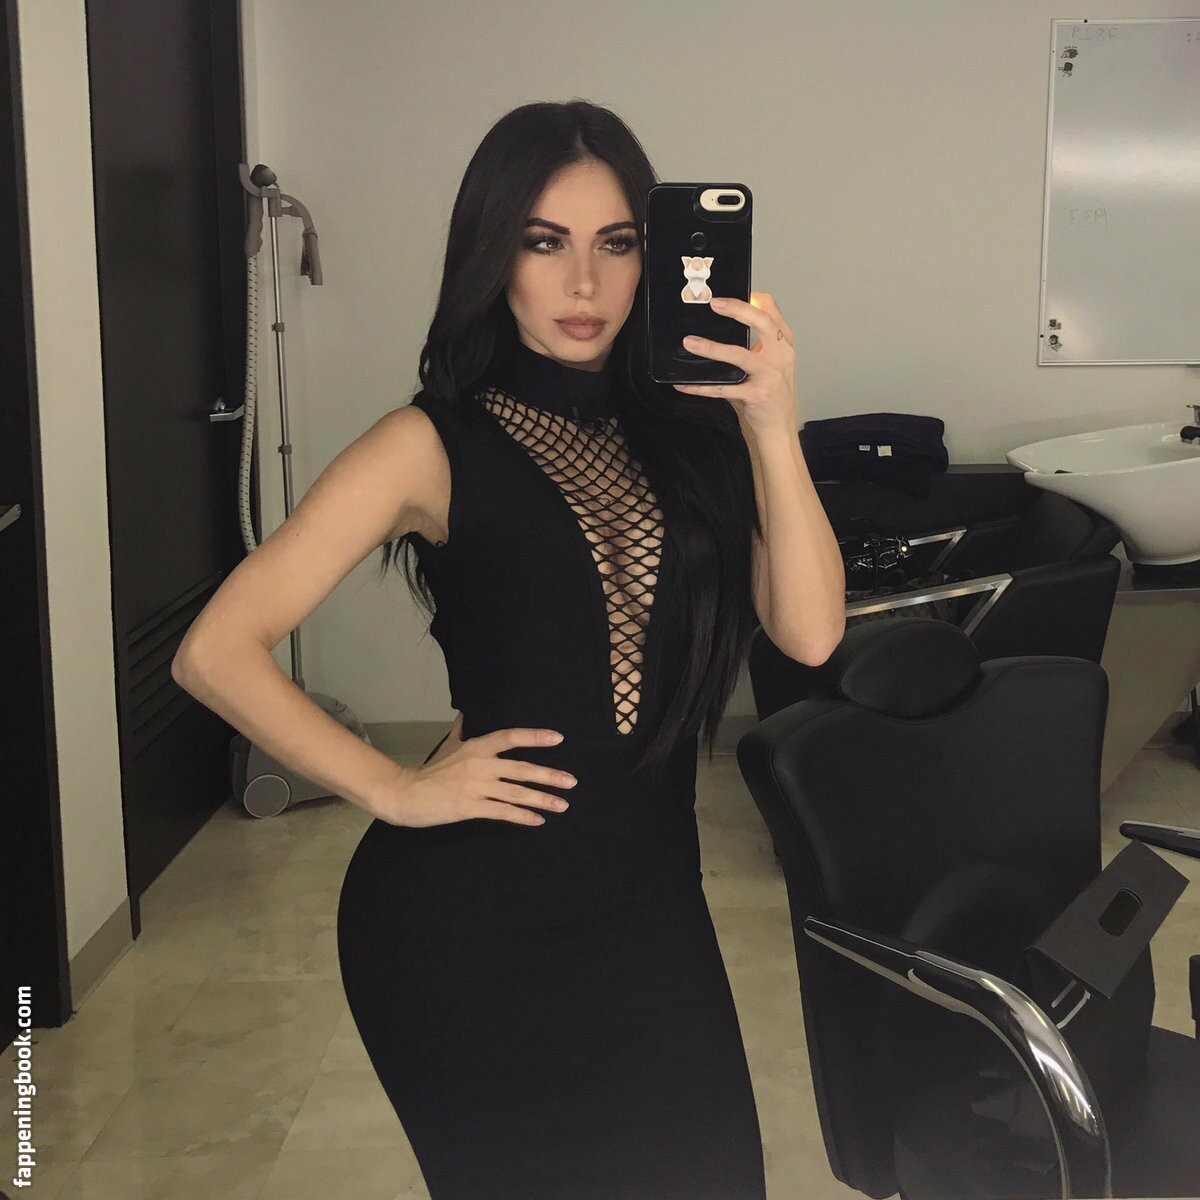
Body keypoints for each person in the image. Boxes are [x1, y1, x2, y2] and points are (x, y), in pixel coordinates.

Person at [174, 98, 844, 1199]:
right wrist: (392, 788)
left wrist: (772, 423)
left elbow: (809, 632)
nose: (584, 282)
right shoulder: (430, 441)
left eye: (615, 244)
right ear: (494, 256)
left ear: (655, 258)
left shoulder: (700, 431)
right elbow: (216, 649)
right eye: (544, 242)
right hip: (467, 929)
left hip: (653, 912)